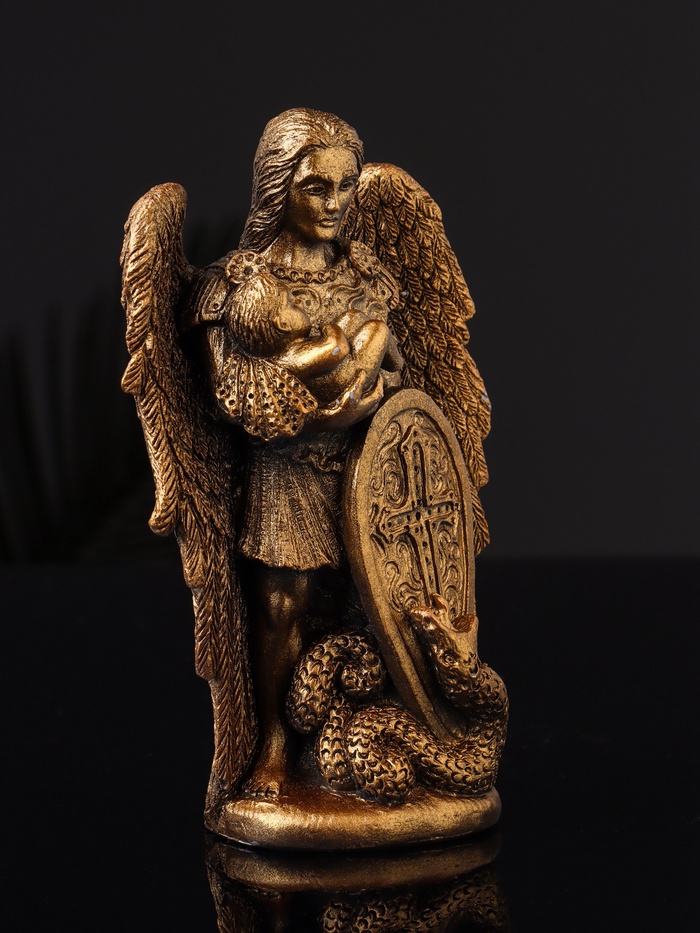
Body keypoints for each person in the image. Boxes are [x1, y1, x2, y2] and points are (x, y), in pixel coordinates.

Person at [191, 109, 403, 796]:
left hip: (365, 463)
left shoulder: (366, 273)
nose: (334, 203)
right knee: (283, 607)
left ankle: (364, 732)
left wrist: (364, 392)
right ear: (277, 187)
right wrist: (322, 402)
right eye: (316, 187)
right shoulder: (239, 283)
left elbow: (395, 372)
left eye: (345, 187)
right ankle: (275, 747)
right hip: (285, 470)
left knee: (374, 602)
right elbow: (232, 393)